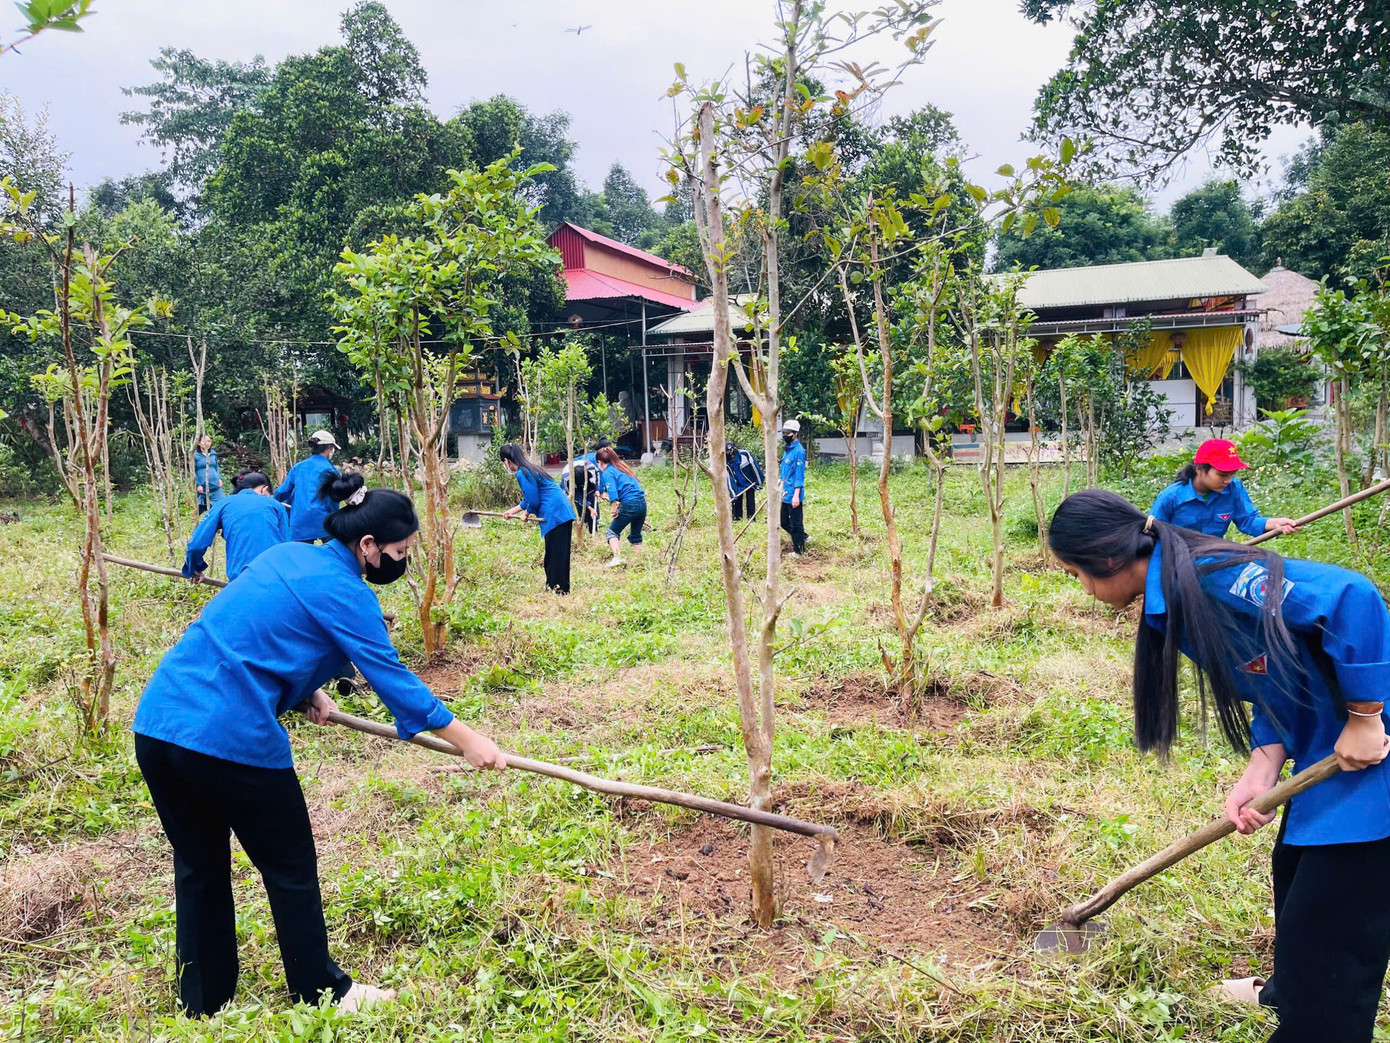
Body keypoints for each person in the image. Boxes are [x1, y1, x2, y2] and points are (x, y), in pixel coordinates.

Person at [132, 472, 506, 1017]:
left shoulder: (288, 556)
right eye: (400, 552)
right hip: (228, 739)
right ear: (369, 547)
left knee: (198, 866)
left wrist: (306, 691)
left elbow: (253, 633)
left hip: (160, 726)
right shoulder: (346, 591)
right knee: (290, 868)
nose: (402, 564)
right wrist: (468, 739)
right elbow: (389, 674)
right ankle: (320, 989)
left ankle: (203, 1002)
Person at [1049, 488, 1390, 1043]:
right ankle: (1287, 989)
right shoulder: (1177, 589)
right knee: (1295, 879)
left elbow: (1351, 598)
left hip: (1376, 761)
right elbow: (1275, 671)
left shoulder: (1214, 575)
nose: (1083, 590)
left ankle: (1315, 1015)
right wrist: (1263, 763)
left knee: (1333, 933)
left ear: (1108, 559)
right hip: (1333, 756)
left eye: (1075, 574)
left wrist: (1365, 714)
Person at [1150, 438, 1300, 539]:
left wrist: (1276, 524)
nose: (1228, 480)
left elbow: (1248, 520)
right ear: (1200, 469)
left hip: (1215, 558)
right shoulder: (1171, 497)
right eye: (1222, 475)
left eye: (1232, 474)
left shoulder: (1234, 489)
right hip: (1176, 562)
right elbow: (1152, 536)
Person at [182, 472, 289, 583]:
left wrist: (193, 568)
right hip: (276, 577)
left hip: (241, 578)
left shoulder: (224, 504)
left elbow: (196, 545)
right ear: (264, 490)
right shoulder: (276, 505)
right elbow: (287, 545)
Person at [500, 443, 576, 594]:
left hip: (555, 515)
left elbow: (533, 501)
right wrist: (512, 511)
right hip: (561, 513)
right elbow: (529, 499)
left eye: (504, 462)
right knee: (558, 554)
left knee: (555, 556)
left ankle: (557, 590)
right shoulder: (530, 469)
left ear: (507, 461)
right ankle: (559, 588)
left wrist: (526, 514)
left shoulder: (522, 473)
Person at [274, 430, 342, 542]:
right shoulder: (331, 471)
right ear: (330, 448)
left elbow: (282, 492)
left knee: (301, 556)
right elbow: (334, 498)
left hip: (300, 521)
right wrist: (334, 515)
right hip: (323, 519)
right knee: (333, 552)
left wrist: (273, 503)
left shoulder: (298, 467)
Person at [595, 446, 647, 568]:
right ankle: (639, 561)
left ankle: (617, 558)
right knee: (635, 534)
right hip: (642, 503)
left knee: (612, 532)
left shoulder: (608, 472)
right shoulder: (623, 468)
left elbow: (612, 492)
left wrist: (614, 509)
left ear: (600, 462)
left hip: (630, 504)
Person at [778, 418, 807, 556]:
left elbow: (799, 476)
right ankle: (803, 537)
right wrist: (780, 480)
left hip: (794, 493)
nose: (785, 435)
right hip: (785, 492)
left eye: (788, 433)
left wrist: (796, 495)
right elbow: (785, 469)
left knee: (796, 523)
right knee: (783, 521)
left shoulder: (799, 451)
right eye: (784, 433)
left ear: (795, 434)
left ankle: (799, 550)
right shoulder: (787, 450)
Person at [725, 441, 764, 522]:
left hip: (749, 482)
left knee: (750, 502)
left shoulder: (744, 454)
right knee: (736, 502)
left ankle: (752, 520)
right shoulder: (725, 462)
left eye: (731, 451)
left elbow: (755, 468)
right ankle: (737, 521)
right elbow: (729, 479)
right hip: (737, 484)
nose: (731, 454)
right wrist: (733, 493)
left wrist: (759, 482)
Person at [193, 434, 225, 515]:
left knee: (222, 506)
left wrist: (219, 478)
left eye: (209, 441)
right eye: (204, 441)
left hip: (215, 487)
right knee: (200, 510)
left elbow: (216, 468)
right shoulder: (195, 456)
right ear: (199, 443)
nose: (207, 443)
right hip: (203, 488)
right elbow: (193, 471)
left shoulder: (213, 454)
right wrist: (198, 484)